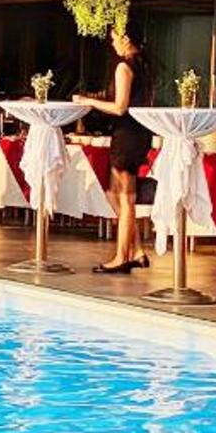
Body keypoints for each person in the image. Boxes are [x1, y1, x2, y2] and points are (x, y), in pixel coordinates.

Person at [70, 27, 151, 273]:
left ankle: (121, 257)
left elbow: (119, 107)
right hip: (138, 133)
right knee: (113, 193)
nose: (113, 44)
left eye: (115, 39)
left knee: (125, 198)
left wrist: (88, 101)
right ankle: (137, 251)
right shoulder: (144, 65)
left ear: (126, 39)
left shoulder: (124, 67)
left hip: (128, 134)